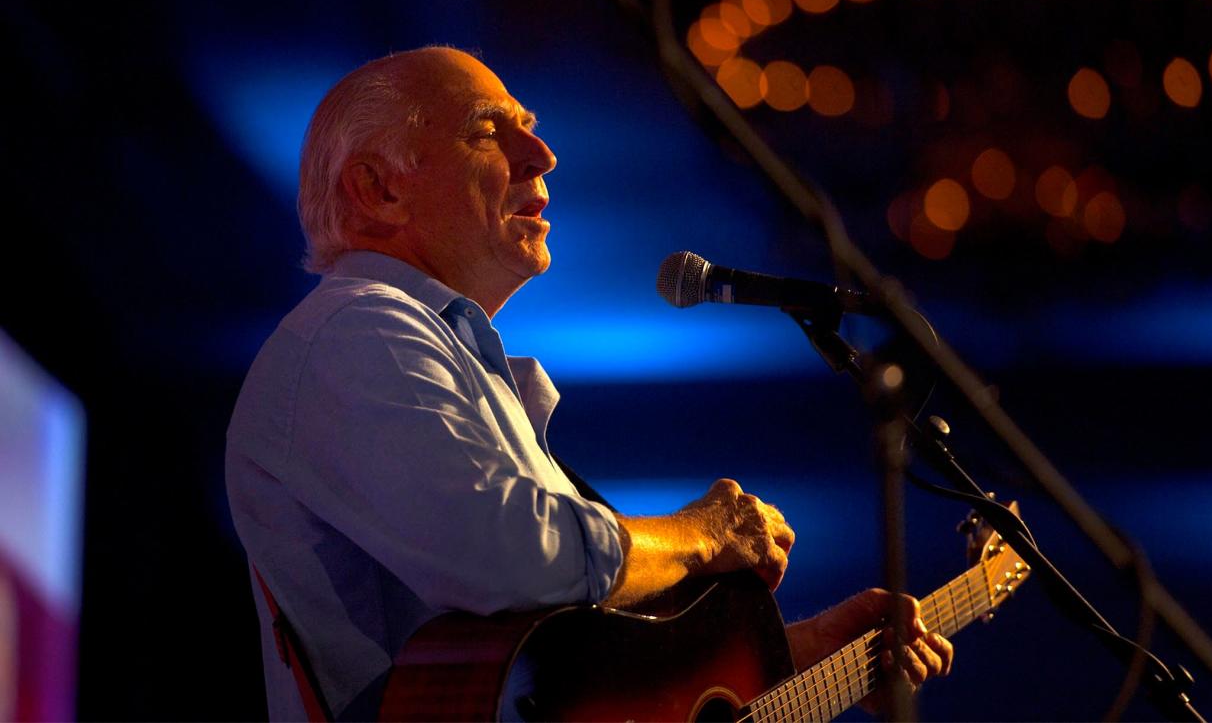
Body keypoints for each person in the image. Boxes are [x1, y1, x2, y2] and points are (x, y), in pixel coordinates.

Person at [226, 46, 952, 721]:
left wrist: (789, 659)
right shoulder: (357, 331)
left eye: (530, 128)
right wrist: (701, 535)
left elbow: (573, 671)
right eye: (489, 130)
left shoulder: (428, 355)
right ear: (378, 187)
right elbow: (511, 557)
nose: (542, 154)